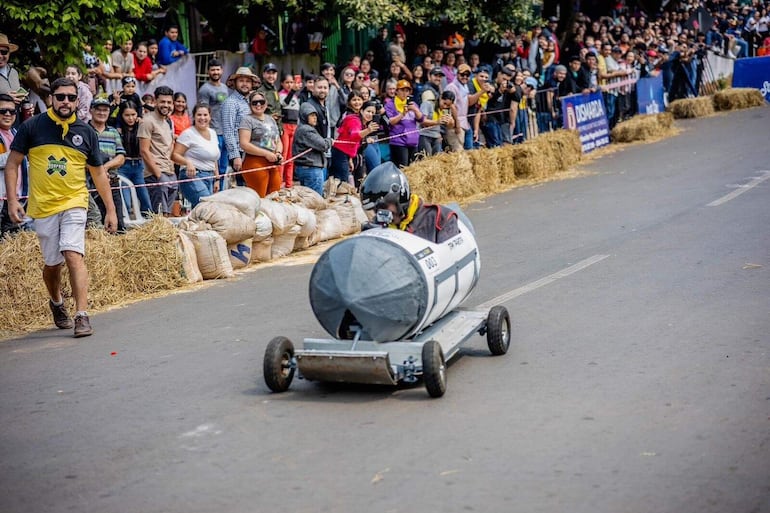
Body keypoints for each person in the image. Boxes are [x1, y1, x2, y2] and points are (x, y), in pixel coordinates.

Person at [4, 77, 117, 337]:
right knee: (52, 264)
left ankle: (82, 315)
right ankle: (56, 302)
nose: (65, 102)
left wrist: (110, 209)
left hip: (75, 201)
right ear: (51, 99)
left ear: (78, 101)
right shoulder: (32, 127)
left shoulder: (86, 132)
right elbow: (12, 165)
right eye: (60, 97)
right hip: (43, 206)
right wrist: (13, 200)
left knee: (73, 253)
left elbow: (98, 174)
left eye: (70, 97)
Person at [360, 162, 458, 244]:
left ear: (400, 198)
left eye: (383, 207)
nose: (381, 214)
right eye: (376, 210)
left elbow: (451, 260)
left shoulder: (440, 219)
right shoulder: (375, 227)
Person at [88, 97, 126, 232]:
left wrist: (104, 167)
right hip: (91, 183)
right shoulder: (85, 130)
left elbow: (121, 157)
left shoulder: (113, 131)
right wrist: (98, 171)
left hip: (112, 182)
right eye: (98, 109)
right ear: (91, 110)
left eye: (105, 110)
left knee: (118, 224)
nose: (102, 113)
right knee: (95, 223)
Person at [172, 104, 220, 208]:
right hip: (193, 176)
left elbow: (213, 158)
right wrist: (188, 163)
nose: (202, 118)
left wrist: (217, 178)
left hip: (210, 176)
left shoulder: (213, 133)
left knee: (200, 212)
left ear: (210, 116)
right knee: (207, 207)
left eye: (205, 115)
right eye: (199, 115)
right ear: (193, 117)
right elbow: (175, 155)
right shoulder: (188, 134)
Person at [138, 85, 177, 215]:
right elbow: (144, 150)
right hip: (155, 174)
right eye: (162, 102)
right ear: (155, 102)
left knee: (168, 214)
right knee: (159, 216)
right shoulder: (148, 121)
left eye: (169, 102)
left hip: (170, 172)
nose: (166, 105)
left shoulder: (167, 122)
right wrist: (158, 174)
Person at [239, 91, 282, 197]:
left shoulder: (270, 119)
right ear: (250, 105)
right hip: (255, 161)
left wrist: (278, 153)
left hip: (272, 162)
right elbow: (244, 144)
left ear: (266, 104)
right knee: (259, 197)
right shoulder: (247, 120)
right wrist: (265, 154)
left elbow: (278, 140)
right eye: (254, 103)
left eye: (261, 102)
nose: (258, 105)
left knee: (275, 195)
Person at [331, 91, 378, 185]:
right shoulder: (354, 120)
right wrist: (368, 131)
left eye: (373, 113)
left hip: (346, 155)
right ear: (361, 111)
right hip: (340, 153)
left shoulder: (363, 123)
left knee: (345, 182)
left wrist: (350, 159)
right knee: (342, 182)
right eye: (368, 111)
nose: (370, 114)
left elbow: (354, 144)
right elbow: (354, 136)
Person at [222, 67, 259, 186]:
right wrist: (235, 156)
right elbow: (228, 131)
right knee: (242, 189)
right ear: (235, 83)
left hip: (252, 150)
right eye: (241, 81)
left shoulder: (250, 102)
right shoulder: (231, 103)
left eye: (248, 81)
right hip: (240, 152)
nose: (245, 84)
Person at [197, 59, 229, 188]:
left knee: (223, 167)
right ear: (208, 72)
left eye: (218, 69)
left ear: (222, 70)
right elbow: (203, 112)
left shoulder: (224, 87)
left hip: (225, 132)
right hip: (214, 132)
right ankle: (211, 192)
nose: (215, 72)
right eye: (212, 70)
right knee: (212, 167)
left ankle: (220, 193)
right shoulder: (205, 89)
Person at [117, 102, 152, 215]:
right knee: (126, 203)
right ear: (121, 115)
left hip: (139, 166)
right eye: (127, 115)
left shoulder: (142, 127)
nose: (131, 118)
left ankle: (149, 226)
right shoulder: (118, 129)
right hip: (123, 167)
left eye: (133, 114)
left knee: (146, 201)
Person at [292, 102, 333, 196]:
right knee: (315, 200)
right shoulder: (306, 130)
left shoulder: (302, 128)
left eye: (315, 115)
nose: (315, 118)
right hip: (311, 170)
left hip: (306, 169)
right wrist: (329, 141)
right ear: (304, 116)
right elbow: (323, 145)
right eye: (311, 115)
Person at [0, 93, 26, 235]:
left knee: (13, 247)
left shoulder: (17, 133)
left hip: (17, 198)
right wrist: (18, 154)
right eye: (3, 111)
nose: (8, 114)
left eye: (12, 111)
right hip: (1, 198)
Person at [385, 79, 424, 168]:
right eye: (402, 90)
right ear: (397, 91)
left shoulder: (412, 103)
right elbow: (390, 122)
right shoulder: (390, 104)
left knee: (414, 168)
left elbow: (421, 119)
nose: (404, 93)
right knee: (403, 168)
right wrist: (403, 114)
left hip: (413, 141)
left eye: (407, 90)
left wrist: (415, 109)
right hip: (399, 141)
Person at [278, 73, 301, 187]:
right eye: (287, 82)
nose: (289, 84)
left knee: (291, 157)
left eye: (291, 82)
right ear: (282, 83)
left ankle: (289, 183)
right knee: (284, 154)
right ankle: (279, 182)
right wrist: (292, 91)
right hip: (285, 126)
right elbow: (284, 103)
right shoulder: (281, 95)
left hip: (294, 127)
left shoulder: (296, 97)